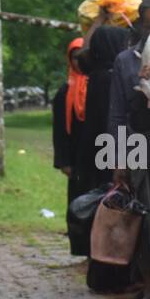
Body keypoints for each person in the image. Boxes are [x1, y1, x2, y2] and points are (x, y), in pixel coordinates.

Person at [108, 0, 150, 299]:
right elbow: (118, 113)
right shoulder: (126, 61)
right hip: (137, 143)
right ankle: (148, 286)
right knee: (143, 215)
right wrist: (117, 159)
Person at [82, 25, 134, 294]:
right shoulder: (113, 77)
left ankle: (102, 270)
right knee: (116, 216)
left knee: (104, 215)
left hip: (96, 153)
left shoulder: (94, 75)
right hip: (112, 151)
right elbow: (117, 117)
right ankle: (112, 275)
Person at [51, 37, 91, 255]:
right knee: (77, 203)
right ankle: (80, 248)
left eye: (81, 56)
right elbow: (59, 130)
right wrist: (64, 161)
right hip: (75, 159)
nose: (78, 61)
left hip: (95, 155)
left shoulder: (97, 85)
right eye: (74, 57)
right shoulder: (64, 92)